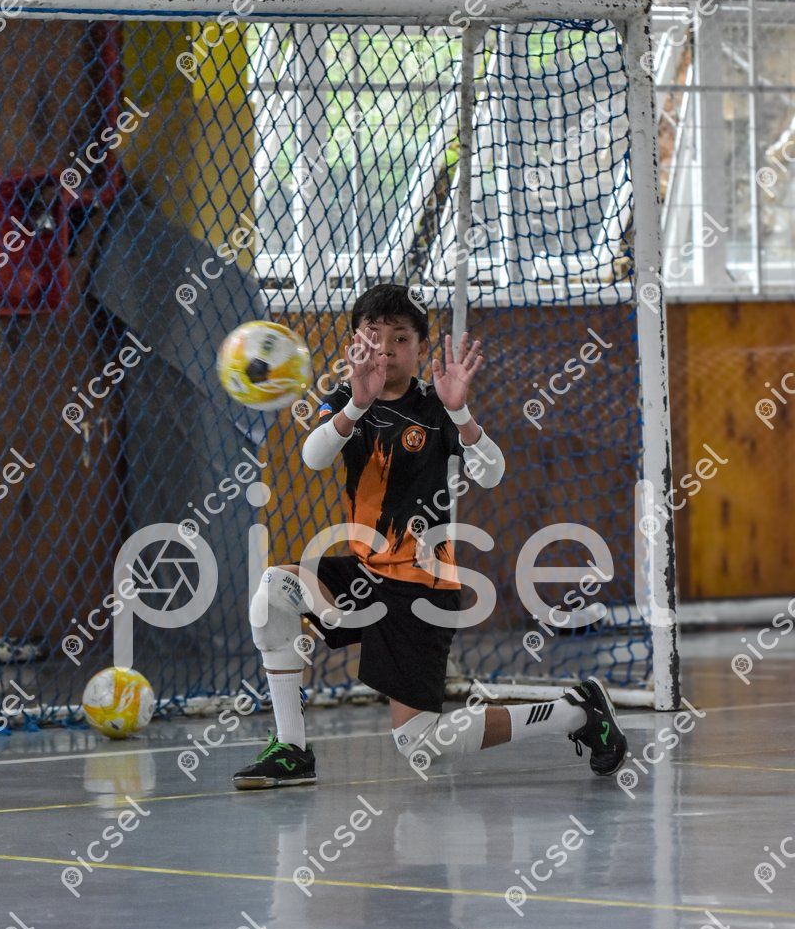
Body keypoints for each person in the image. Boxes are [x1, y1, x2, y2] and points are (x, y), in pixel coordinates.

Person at [234, 283, 627, 789]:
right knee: (274, 592)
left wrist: (461, 414)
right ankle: (292, 750)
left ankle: (576, 710)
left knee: (420, 743)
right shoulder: (348, 399)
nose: (385, 350)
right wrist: (355, 406)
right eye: (373, 337)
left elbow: (492, 473)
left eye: (400, 339)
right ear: (355, 343)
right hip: (364, 576)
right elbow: (314, 457)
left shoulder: (434, 408)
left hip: (420, 590)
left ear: (421, 347)